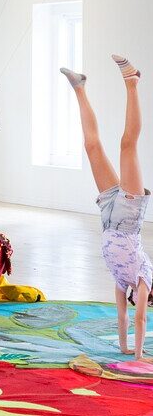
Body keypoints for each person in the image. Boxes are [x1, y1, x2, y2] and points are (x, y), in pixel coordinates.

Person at [61, 56, 153, 362]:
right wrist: (137, 355)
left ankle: (80, 87)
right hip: (129, 213)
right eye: (143, 301)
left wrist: (123, 347)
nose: (137, 302)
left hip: (108, 215)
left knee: (92, 147)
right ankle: (133, 82)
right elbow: (139, 319)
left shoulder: (120, 282)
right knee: (128, 145)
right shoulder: (143, 280)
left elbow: (123, 318)